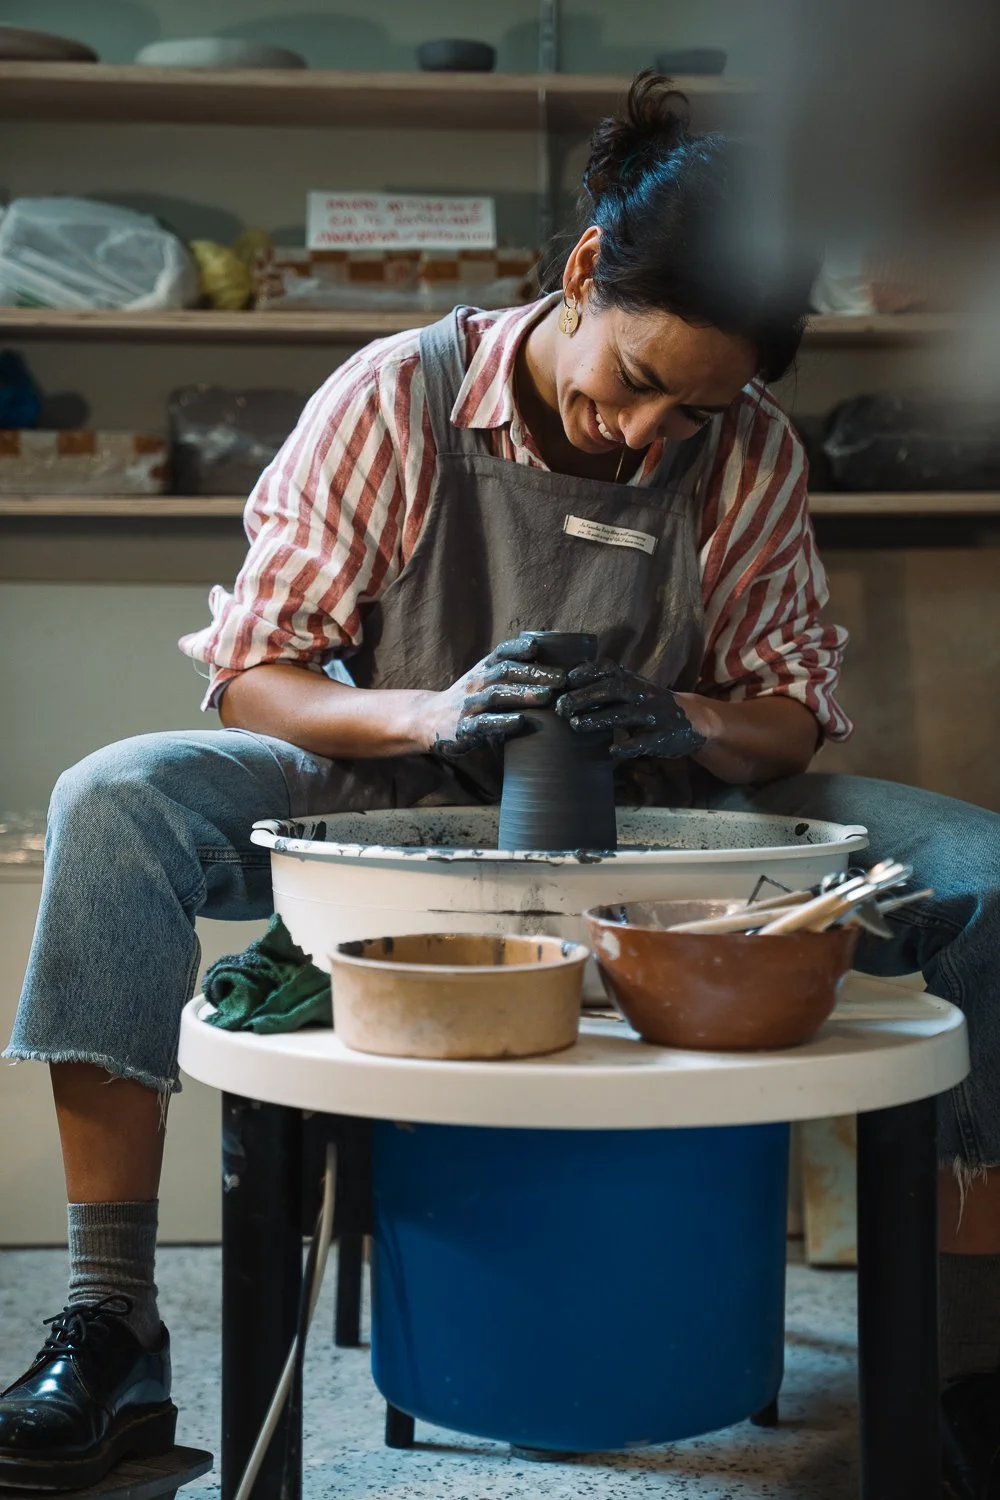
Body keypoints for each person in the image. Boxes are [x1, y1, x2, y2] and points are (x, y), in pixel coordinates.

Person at [1, 71, 998, 1495]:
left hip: (661, 815)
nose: (652, 434)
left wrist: (686, 713)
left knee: (991, 875)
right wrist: (433, 708)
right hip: (387, 795)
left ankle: (970, 1366)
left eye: (693, 414)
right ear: (586, 273)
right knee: (113, 795)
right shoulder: (395, 394)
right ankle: (109, 1329)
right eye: (639, 383)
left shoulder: (748, 449)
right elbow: (256, 674)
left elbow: (788, 719)